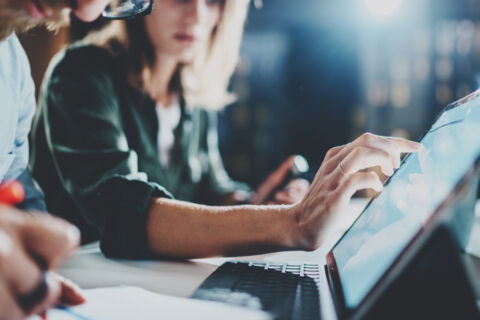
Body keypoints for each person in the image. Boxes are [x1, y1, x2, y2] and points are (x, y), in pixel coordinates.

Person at [32, 0, 422, 260]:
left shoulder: (190, 96)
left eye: (214, 0)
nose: (198, 16)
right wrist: (292, 221)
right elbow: (121, 212)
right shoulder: (80, 72)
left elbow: (210, 188)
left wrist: (259, 202)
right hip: (79, 289)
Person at [0, 0, 144, 318]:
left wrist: (34, 267)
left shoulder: (14, 67)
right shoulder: (80, 72)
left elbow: (18, 189)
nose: (86, 10)